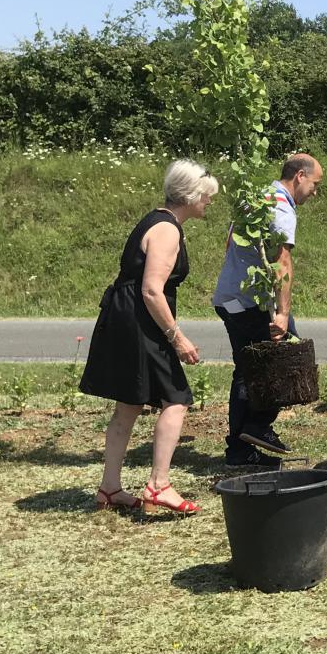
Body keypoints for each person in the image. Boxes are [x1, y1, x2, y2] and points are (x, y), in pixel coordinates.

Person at [80, 159, 218, 516]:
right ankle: (159, 485)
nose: (209, 203)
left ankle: (110, 488)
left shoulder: (153, 218)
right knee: (176, 398)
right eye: (207, 196)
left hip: (124, 317)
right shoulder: (168, 230)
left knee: (129, 402)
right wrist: (178, 338)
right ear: (191, 195)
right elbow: (152, 291)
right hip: (141, 322)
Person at [212, 153, 323, 467]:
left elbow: (229, 243)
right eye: (315, 184)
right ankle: (255, 429)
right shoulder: (281, 207)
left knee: (247, 369)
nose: (315, 192)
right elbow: (281, 264)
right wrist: (282, 314)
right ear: (299, 176)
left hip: (232, 298)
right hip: (250, 303)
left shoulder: (258, 198)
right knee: (285, 361)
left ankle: (241, 447)